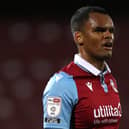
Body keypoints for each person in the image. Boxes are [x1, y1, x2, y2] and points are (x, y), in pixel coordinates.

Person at [42, 6, 122, 129]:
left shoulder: (110, 80)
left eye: (111, 31)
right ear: (79, 37)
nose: (108, 35)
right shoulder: (61, 85)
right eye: (99, 30)